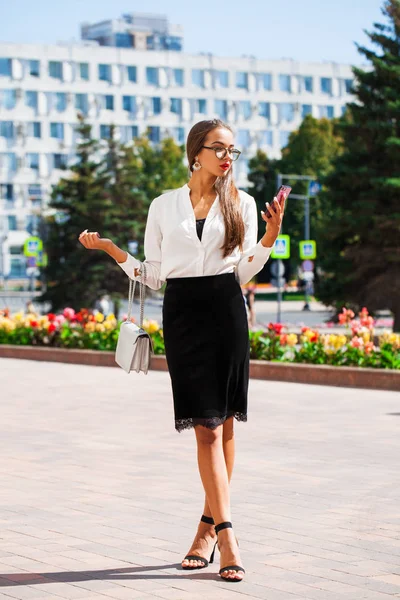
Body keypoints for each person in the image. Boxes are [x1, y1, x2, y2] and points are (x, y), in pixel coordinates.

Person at [78, 119, 285, 583]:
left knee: (225, 426)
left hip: (227, 311)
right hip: (184, 315)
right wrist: (114, 250)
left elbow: (244, 272)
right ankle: (227, 534)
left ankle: (208, 531)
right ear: (197, 153)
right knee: (207, 428)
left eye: (234, 151)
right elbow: (154, 274)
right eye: (220, 149)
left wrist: (269, 238)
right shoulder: (163, 206)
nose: (229, 157)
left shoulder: (243, 204)